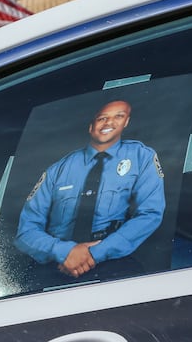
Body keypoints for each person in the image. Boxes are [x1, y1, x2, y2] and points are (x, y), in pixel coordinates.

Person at [14, 100, 165, 281]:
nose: (109, 123)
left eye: (118, 116)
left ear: (126, 122)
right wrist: (65, 252)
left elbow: (150, 214)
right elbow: (26, 230)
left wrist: (94, 254)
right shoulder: (58, 169)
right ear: (91, 126)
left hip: (114, 266)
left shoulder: (141, 157)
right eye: (102, 118)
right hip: (55, 268)